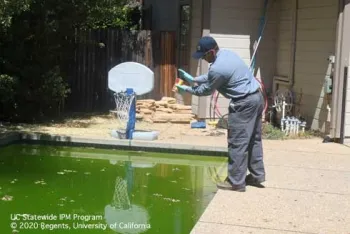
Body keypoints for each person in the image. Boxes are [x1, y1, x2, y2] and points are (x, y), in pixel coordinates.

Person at [176, 36, 266, 192]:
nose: (203, 59)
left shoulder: (218, 68)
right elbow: (212, 77)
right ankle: (257, 175)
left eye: (204, 56)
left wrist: (187, 89)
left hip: (243, 104)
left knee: (237, 142)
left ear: (211, 52)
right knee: (253, 139)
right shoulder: (226, 54)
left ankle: (236, 182)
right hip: (256, 98)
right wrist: (194, 79)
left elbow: (206, 89)